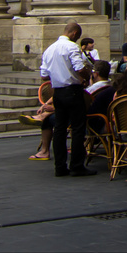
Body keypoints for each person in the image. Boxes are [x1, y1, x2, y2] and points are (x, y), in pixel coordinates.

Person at [40, 23, 95, 177]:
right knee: (77, 128)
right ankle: (77, 165)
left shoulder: (49, 49)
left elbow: (44, 75)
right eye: (77, 37)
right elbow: (79, 68)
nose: (77, 39)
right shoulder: (71, 47)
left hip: (58, 92)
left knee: (59, 129)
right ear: (74, 33)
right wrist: (86, 77)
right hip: (72, 90)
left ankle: (60, 166)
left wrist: (57, 73)